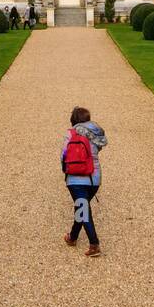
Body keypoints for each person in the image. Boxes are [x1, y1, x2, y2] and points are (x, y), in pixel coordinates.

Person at [61, 105, 105, 256]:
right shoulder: (96, 134)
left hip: (75, 179)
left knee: (83, 209)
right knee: (82, 207)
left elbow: (64, 155)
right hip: (94, 179)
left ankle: (94, 244)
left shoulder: (70, 133)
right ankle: (72, 237)